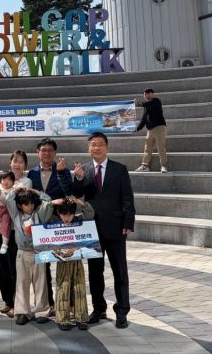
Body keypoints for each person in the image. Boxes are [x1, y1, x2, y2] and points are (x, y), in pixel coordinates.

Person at [73, 132, 135, 329]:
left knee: (120, 271)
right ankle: (99, 308)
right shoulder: (83, 169)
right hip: (92, 229)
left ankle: (122, 311)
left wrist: (128, 223)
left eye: (100, 144)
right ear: (88, 148)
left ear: (107, 147)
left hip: (116, 228)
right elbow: (77, 194)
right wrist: (78, 179)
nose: (96, 148)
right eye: (93, 144)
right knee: (95, 272)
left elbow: (127, 197)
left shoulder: (119, 169)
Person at [27, 138, 73, 313]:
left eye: (50, 150)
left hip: (59, 223)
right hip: (40, 225)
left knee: (64, 262)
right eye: (43, 150)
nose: (46, 153)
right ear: (38, 152)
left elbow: (69, 192)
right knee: (43, 266)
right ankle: (49, 303)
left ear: (55, 153)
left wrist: (61, 173)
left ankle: (67, 304)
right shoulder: (31, 173)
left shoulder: (63, 171)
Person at [5, 188, 55, 326]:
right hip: (22, 252)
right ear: (20, 205)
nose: (30, 206)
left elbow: (48, 201)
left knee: (41, 283)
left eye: (31, 203)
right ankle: (22, 312)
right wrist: (16, 190)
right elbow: (8, 199)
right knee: (21, 283)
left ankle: (41, 311)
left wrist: (36, 192)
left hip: (39, 252)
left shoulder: (39, 213)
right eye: (26, 204)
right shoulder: (16, 214)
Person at [0, 150, 32, 318]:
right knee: (2, 267)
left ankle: (19, 303)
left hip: (17, 232)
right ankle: (8, 301)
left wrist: (2, 194)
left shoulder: (26, 182)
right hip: (3, 230)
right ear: (10, 163)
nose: (17, 164)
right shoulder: (4, 180)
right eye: (14, 161)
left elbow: (15, 202)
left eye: (20, 161)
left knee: (16, 269)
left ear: (25, 165)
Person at [52, 198, 95, 331]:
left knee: (79, 287)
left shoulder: (78, 222)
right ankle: (62, 319)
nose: (67, 218)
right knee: (63, 288)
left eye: (70, 214)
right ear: (59, 213)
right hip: (62, 261)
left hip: (76, 260)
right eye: (64, 214)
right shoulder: (54, 224)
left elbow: (90, 213)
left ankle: (81, 318)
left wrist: (81, 203)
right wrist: (51, 203)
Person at [135, 88, 169, 173]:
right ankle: (145, 166)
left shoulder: (156, 101)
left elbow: (148, 104)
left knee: (160, 147)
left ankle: (164, 166)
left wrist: (138, 103)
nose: (146, 96)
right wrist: (137, 128)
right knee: (147, 148)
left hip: (159, 127)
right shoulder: (146, 106)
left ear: (152, 94)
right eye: (145, 94)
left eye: (148, 94)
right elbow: (144, 119)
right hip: (150, 130)